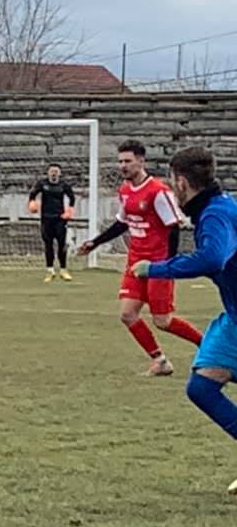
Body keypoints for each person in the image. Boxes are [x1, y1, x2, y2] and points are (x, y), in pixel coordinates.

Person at [130, 147, 237, 492]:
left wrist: (156, 269)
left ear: (181, 181)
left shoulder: (216, 213)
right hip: (233, 317)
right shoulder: (219, 207)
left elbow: (213, 258)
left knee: (203, 387)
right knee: (202, 386)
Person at [79, 140, 202, 376]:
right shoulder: (125, 190)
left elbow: (173, 227)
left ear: (141, 161)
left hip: (157, 263)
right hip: (136, 261)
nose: (123, 166)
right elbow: (122, 223)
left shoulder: (158, 191)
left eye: (128, 161)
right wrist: (95, 243)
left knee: (163, 320)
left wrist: (168, 265)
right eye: (120, 161)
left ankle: (207, 346)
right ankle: (160, 361)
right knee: (127, 314)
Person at [28, 163, 76, 282]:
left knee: (61, 245)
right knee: (48, 245)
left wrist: (69, 210)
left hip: (60, 218)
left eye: (56, 171)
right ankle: (50, 271)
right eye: (52, 171)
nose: (54, 173)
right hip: (46, 218)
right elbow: (32, 194)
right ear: (48, 172)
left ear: (59, 173)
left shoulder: (63, 185)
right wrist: (32, 203)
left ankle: (64, 270)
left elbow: (72, 197)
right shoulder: (42, 184)